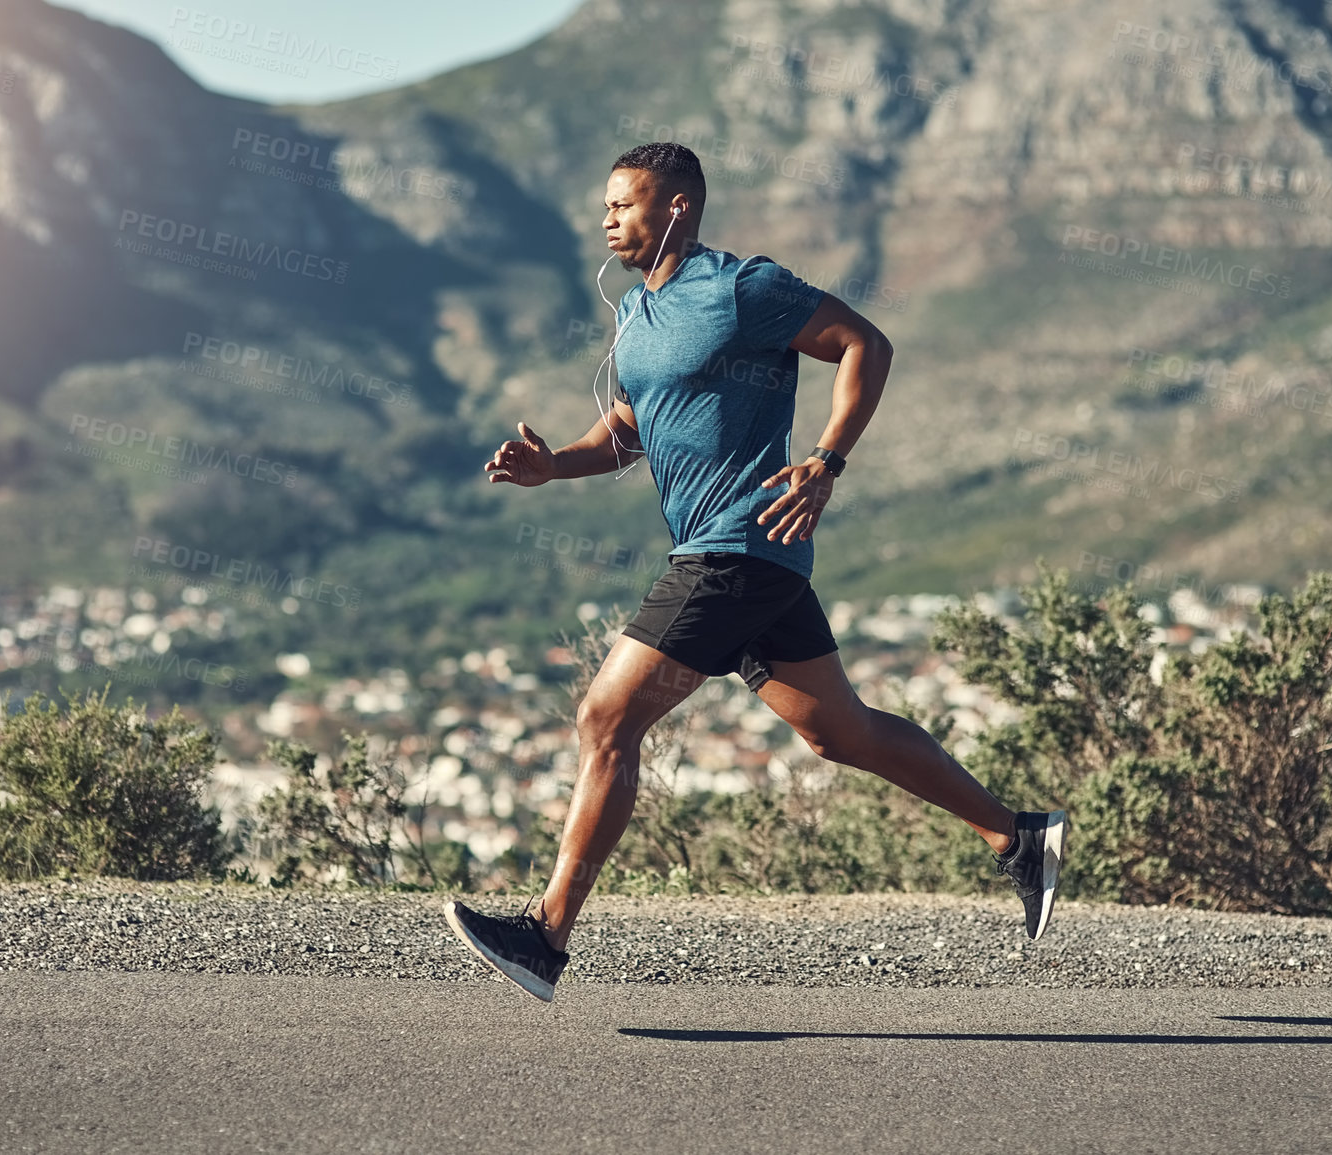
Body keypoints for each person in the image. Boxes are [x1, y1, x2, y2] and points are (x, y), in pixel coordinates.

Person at [444, 142, 1064, 1002]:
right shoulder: (636, 309)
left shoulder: (745, 288)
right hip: (746, 555)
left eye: (624, 203)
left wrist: (825, 460)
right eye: (605, 205)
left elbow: (863, 343)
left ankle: (545, 936)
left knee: (605, 717)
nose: (606, 218)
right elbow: (628, 426)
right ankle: (1017, 836)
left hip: (735, 547)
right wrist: (555, 466)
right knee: (837, 732)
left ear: (677, 208)